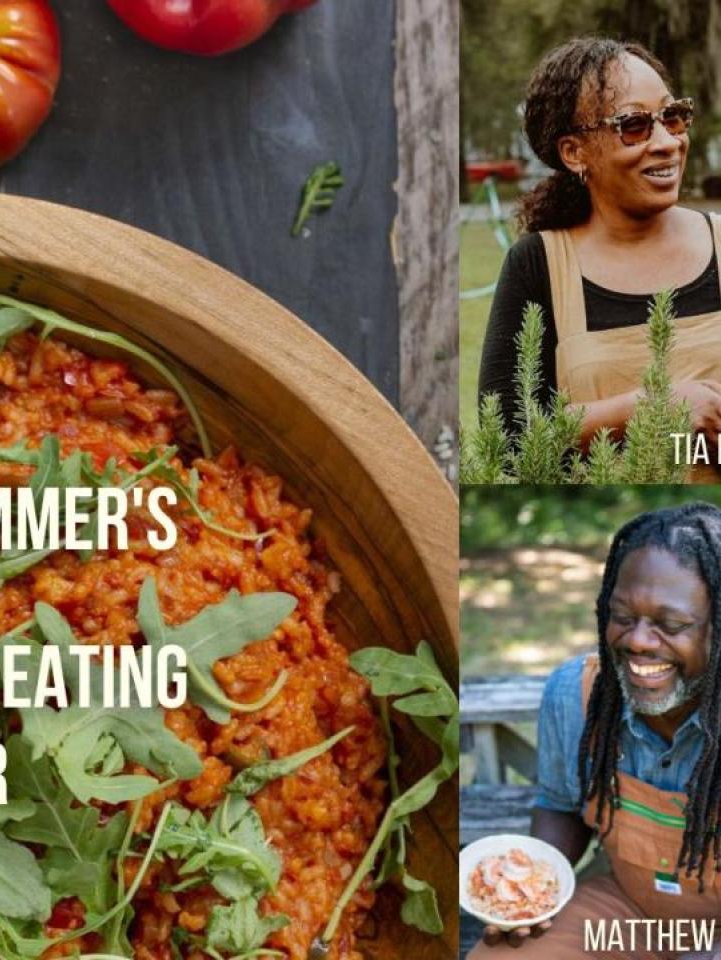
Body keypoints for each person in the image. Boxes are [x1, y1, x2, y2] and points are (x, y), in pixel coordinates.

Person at [470, 504, 720, 959]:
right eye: (623, 615)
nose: (639, 641)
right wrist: (531, 888)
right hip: (631, 913)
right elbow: (560, 805)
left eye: (671, 625)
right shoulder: (576, 696)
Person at [476, 38, 721, 463]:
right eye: (634, 125)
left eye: (673, 117)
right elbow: (505, 438)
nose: (666, 142)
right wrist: (650, 409)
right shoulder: (539, 265)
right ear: (574, 152)